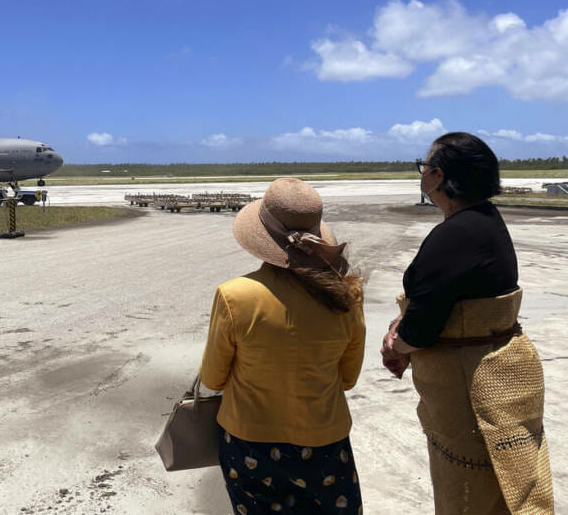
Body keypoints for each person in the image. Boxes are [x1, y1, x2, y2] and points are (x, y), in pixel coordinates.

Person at [381, 132, 553, 514]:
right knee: (508, 482)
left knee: (469, 489)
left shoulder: (454, 235)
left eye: (423, 167)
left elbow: (421, 328)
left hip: (469, 384)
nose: (422, 174)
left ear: (438, 176)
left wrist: (396, 344)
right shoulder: (485, 220)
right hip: (499, 372)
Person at [201, 178, 365, 514]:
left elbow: (213, 378)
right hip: (325, 441)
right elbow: (347, 379)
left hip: (249, 444)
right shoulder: (348, 296)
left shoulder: (235, 295)